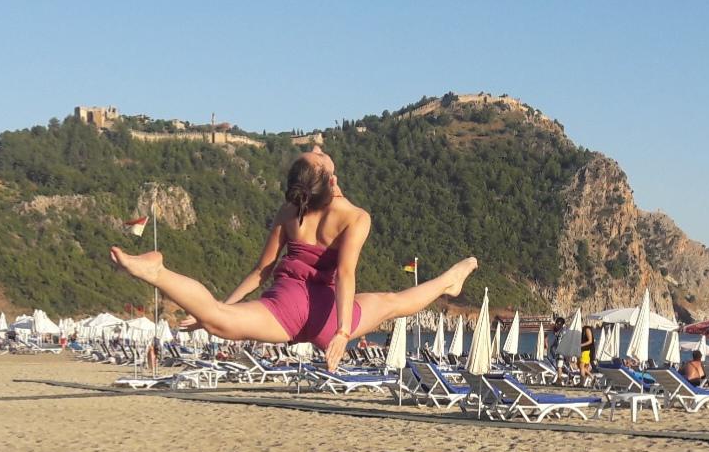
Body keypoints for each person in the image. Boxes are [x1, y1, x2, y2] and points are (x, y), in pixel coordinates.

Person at [112, 145, 478, 372]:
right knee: (394, 303)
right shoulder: (355, 217)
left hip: (283, 305)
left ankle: (157, 273)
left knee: (218, 320)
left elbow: (260, 272)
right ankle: (449, 280)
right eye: (317, 155)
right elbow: (346, 274)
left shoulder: (290, 210)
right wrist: (342, 332)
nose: (318, 146)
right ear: (330, 180)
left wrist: (218, 308)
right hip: (327, 314)